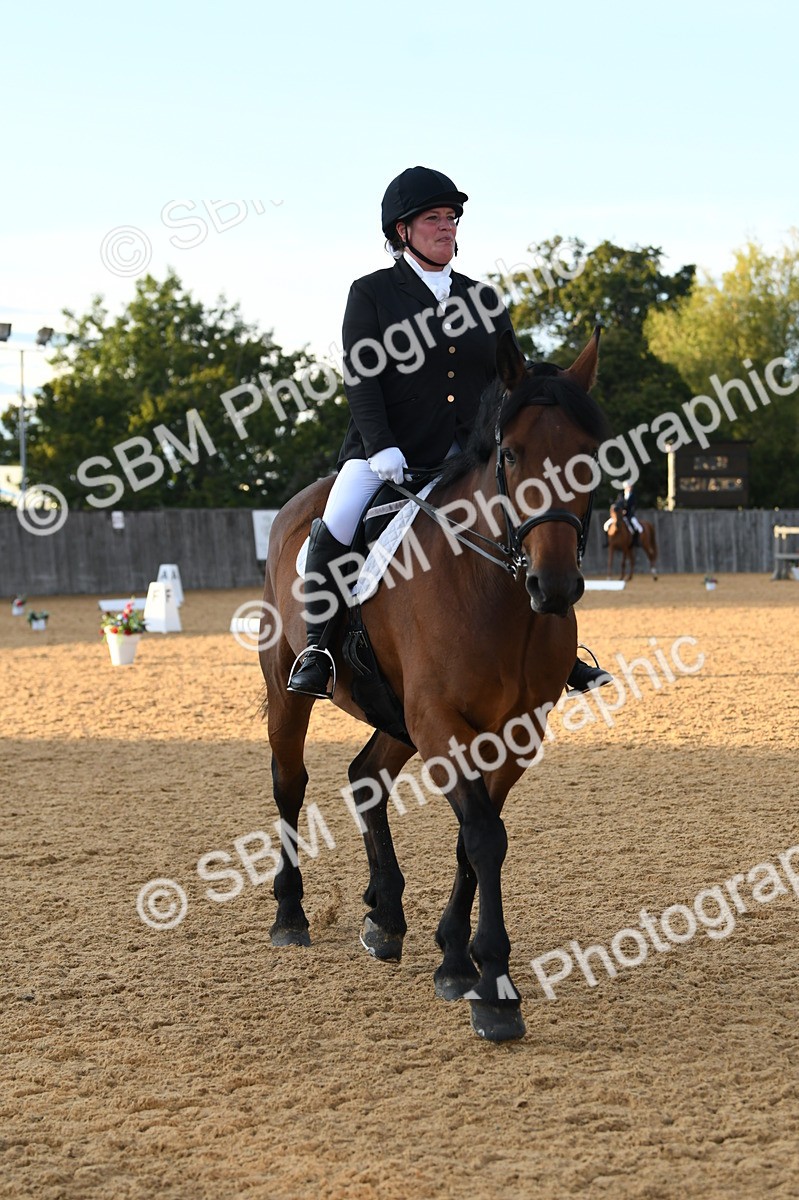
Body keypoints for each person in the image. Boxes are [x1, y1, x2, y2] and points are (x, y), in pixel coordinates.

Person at [288, 166, 611, 698]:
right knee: (339, 519)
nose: (446, 227)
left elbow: (513, 377)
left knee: (527, 518)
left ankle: (557, 649)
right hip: (386, 454)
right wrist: (380, 445)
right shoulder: (371, 293)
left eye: (451, 218)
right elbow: (361, 378)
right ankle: (318, 648)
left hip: (469, 453)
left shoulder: (482, 298)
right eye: (433, 218)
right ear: (402, 231)